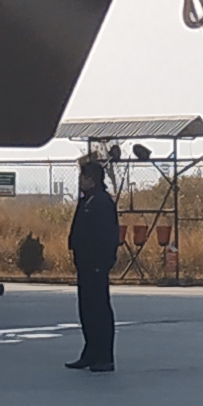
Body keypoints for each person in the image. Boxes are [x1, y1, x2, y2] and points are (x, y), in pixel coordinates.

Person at [65, 156, 121, 372]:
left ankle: (105, 356)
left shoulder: (102, 202)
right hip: (84, 264)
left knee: (99, 310)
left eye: (84, 177)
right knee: (86, 309)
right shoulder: (86, 200)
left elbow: (108, 236)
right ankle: (90, 352)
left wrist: (103, 262)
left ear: (93, 179)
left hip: (96, 264)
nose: (81, 181)